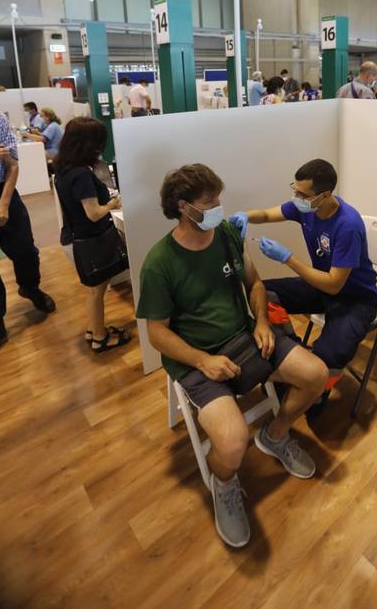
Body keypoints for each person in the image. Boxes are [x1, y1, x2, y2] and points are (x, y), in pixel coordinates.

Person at [137, 164, 327, 548]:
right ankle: (223, 483)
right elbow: (156, 332)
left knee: (316, 374)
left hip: (246, 336)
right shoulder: (160, 262)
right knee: (232, 442)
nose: (218, 209)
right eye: (210, 203)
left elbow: (254, 282)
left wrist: (259, 321)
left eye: (219, 201)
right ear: (183, 207)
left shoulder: (224, 234)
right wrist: (201, 360)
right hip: (198, 359)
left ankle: (275, 435)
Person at [230, 158, 377, 419]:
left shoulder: (348, 225)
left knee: (329, 354)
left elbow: (335, 285)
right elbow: (267, 214)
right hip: (321, 285)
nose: (295, 197)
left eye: (302, 194)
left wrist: (287, 258)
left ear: (324, 195)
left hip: (354, 298)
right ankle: (291, 350)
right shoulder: (307, 207)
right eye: (294, 190)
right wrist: (245, 216)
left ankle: (319, 391)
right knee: (262, 293)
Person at [54, 118, 129, 354]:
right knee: (97, 292)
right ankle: (99, 337)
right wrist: (113, 203)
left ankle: (94, 329)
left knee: (94, 291)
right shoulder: (81, 174)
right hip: (93, 240)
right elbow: (94, 213)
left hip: (80, 238)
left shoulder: (64, 170)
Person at [0, 109, 56, 353]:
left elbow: (12, 164)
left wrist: (4, 204)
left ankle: (30, 286)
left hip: (1, 191)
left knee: (26, 250)